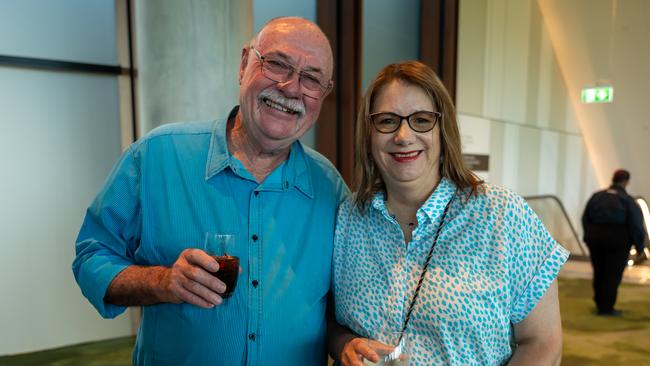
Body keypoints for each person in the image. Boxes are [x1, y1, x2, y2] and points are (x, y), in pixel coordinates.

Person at [73, 17, 348, 365]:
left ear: (324, 94)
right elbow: (91, 258)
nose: (292, 88)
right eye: (277, 64)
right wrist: (163, 282)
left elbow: (341, 313)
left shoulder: (332, 189)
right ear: (244, 63)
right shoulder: (158, 155)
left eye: (311, 79)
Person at [329, 61, 569, 365]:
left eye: (421, 119)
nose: (403, 135)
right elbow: (328, 321)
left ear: (444, 131)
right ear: (369, 135)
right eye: (387, 120)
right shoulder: (348, 219)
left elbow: (542, 343)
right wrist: (344, 343)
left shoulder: (503, 217)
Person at [582, 169, 646, 316]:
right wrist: (640, 247)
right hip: (618, 240)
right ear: (626, 182)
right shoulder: (627, 200)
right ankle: (606, 308)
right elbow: (636, 224)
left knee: (599, 271)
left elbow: (585, 218)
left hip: (595, 238)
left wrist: (588, 236)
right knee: (612, 274)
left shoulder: (597, 196)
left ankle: (599, 303)